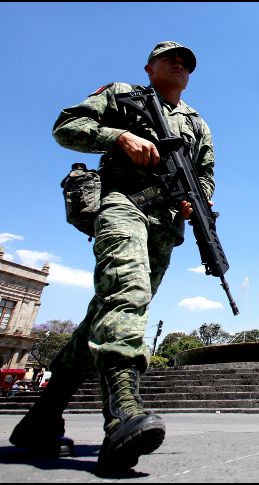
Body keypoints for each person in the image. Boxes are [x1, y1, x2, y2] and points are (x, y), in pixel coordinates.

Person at [9, 41, 216, 474]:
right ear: (150, 67)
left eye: (186, 62)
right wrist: (118, 137)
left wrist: (197, 202)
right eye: (170, 58)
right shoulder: (122, 94)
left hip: (164, 227)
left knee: (105, 313)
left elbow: (205, 175)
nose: (179, 64)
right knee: (128, 291)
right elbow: (66, 127)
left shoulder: (198, 124)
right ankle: (123, 413)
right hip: (122, 204)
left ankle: (42, 418)